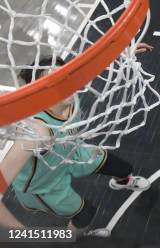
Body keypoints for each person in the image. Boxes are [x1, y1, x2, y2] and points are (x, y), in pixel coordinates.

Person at [0, 55, 151, 238]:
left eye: (65, 77)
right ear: (39, 91)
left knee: (123, 168)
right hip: (43, 185)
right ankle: (74, 239)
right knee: (86, 213)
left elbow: (91, 63)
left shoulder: (69, 95)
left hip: (70, 152)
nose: (64, 84)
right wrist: (21, 233)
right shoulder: (36, 131)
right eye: (54, 82)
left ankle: (122, 182)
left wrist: (122, 53)